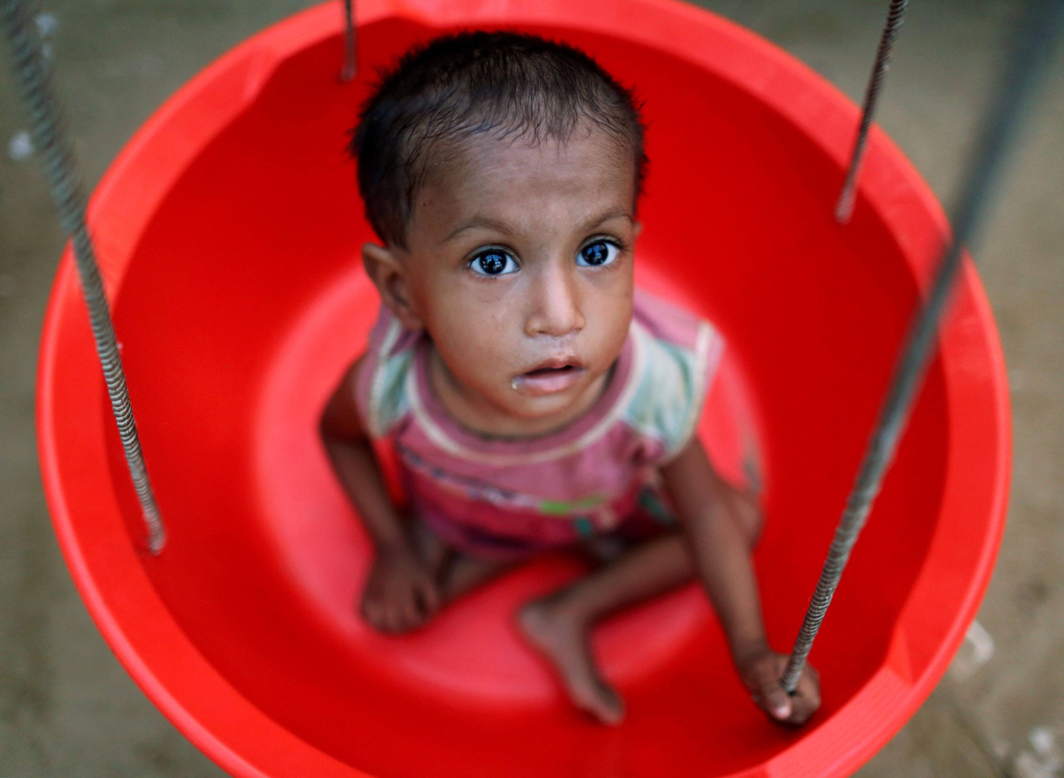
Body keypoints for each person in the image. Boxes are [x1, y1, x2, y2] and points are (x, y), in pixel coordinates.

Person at [320, 30, 820, 726]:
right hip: (460, 516)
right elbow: (338, 437)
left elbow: (705, 512)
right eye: (494, 261)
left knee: (739, 516)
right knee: (396, 605)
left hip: (594, 508)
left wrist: (750, 651)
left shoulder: (647, 388)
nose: (561, 315)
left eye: (597, 249)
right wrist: (394, 545)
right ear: (402, 290)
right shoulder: (394, 384)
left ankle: (568, 607)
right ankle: (460, 561)